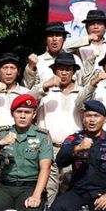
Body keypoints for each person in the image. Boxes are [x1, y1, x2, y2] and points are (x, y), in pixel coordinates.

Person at [36, 51, 82, 199]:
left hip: (72, 148)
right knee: (49, 192)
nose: (64, 73)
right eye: (60, 69)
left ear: (74, 71)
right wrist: (44, 87)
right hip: (49, 148)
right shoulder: (45, 91)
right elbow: (27, 101)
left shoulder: (82, 92)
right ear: (54, 70)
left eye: (68, 69)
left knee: (69, 190)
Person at [29, 21, 81, 85]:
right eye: (50, 35)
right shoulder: (38, 61)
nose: (54, 39)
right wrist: (30, 69)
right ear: (45, 39)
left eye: (58, 35)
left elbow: (81, 85)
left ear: (64, 38)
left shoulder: (75, 60)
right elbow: (27, 89)